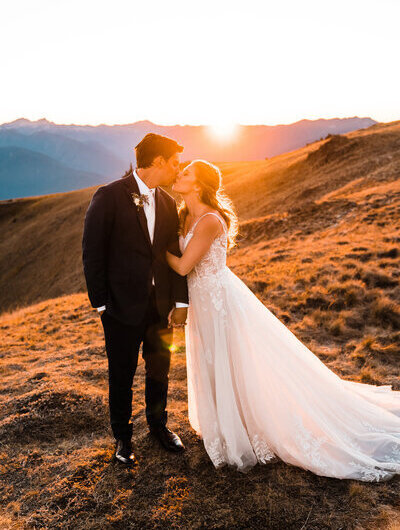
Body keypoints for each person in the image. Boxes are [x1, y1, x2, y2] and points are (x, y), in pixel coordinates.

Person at [166, 159, 400, 481]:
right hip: (203, 303)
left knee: (232, 360)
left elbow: (182, 267)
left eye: (186, 172)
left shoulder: (208, 220)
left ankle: (247, 425)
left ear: (199, 184)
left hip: (218, 302)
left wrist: (152, 250)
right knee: (213, 360)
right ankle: (228, 422)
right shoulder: (184, 215)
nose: (179, 175)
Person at [82, 133, 189, 466]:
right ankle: (123, 438)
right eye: (174, 163)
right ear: (157, 162)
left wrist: (180, 302)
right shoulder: (110, 196)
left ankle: (159, 427)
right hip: (120, 308)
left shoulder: (169, 202)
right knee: (121, 374)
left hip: (161, 307)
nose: (178, 169)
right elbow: (92, 252)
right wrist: (101, 303)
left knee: (160, 369)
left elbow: (174, 254)